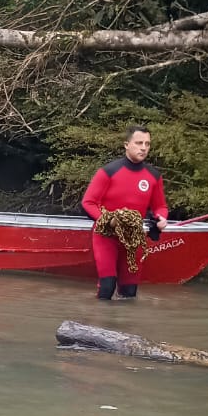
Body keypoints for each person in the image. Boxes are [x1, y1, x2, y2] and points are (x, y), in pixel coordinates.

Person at [81, 126, 169, 300]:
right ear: (126, 145)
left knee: (129, 291)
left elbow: (160, 207)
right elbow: (88, 203)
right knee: (107, 285)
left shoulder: (153, 176)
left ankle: (125, 325)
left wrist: (162, 218)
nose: (143, 147)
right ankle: (97, 322)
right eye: (138, 143)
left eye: (147, 144)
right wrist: (109, 220)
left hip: (133, 237)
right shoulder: (108, 172)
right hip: (106, 236)